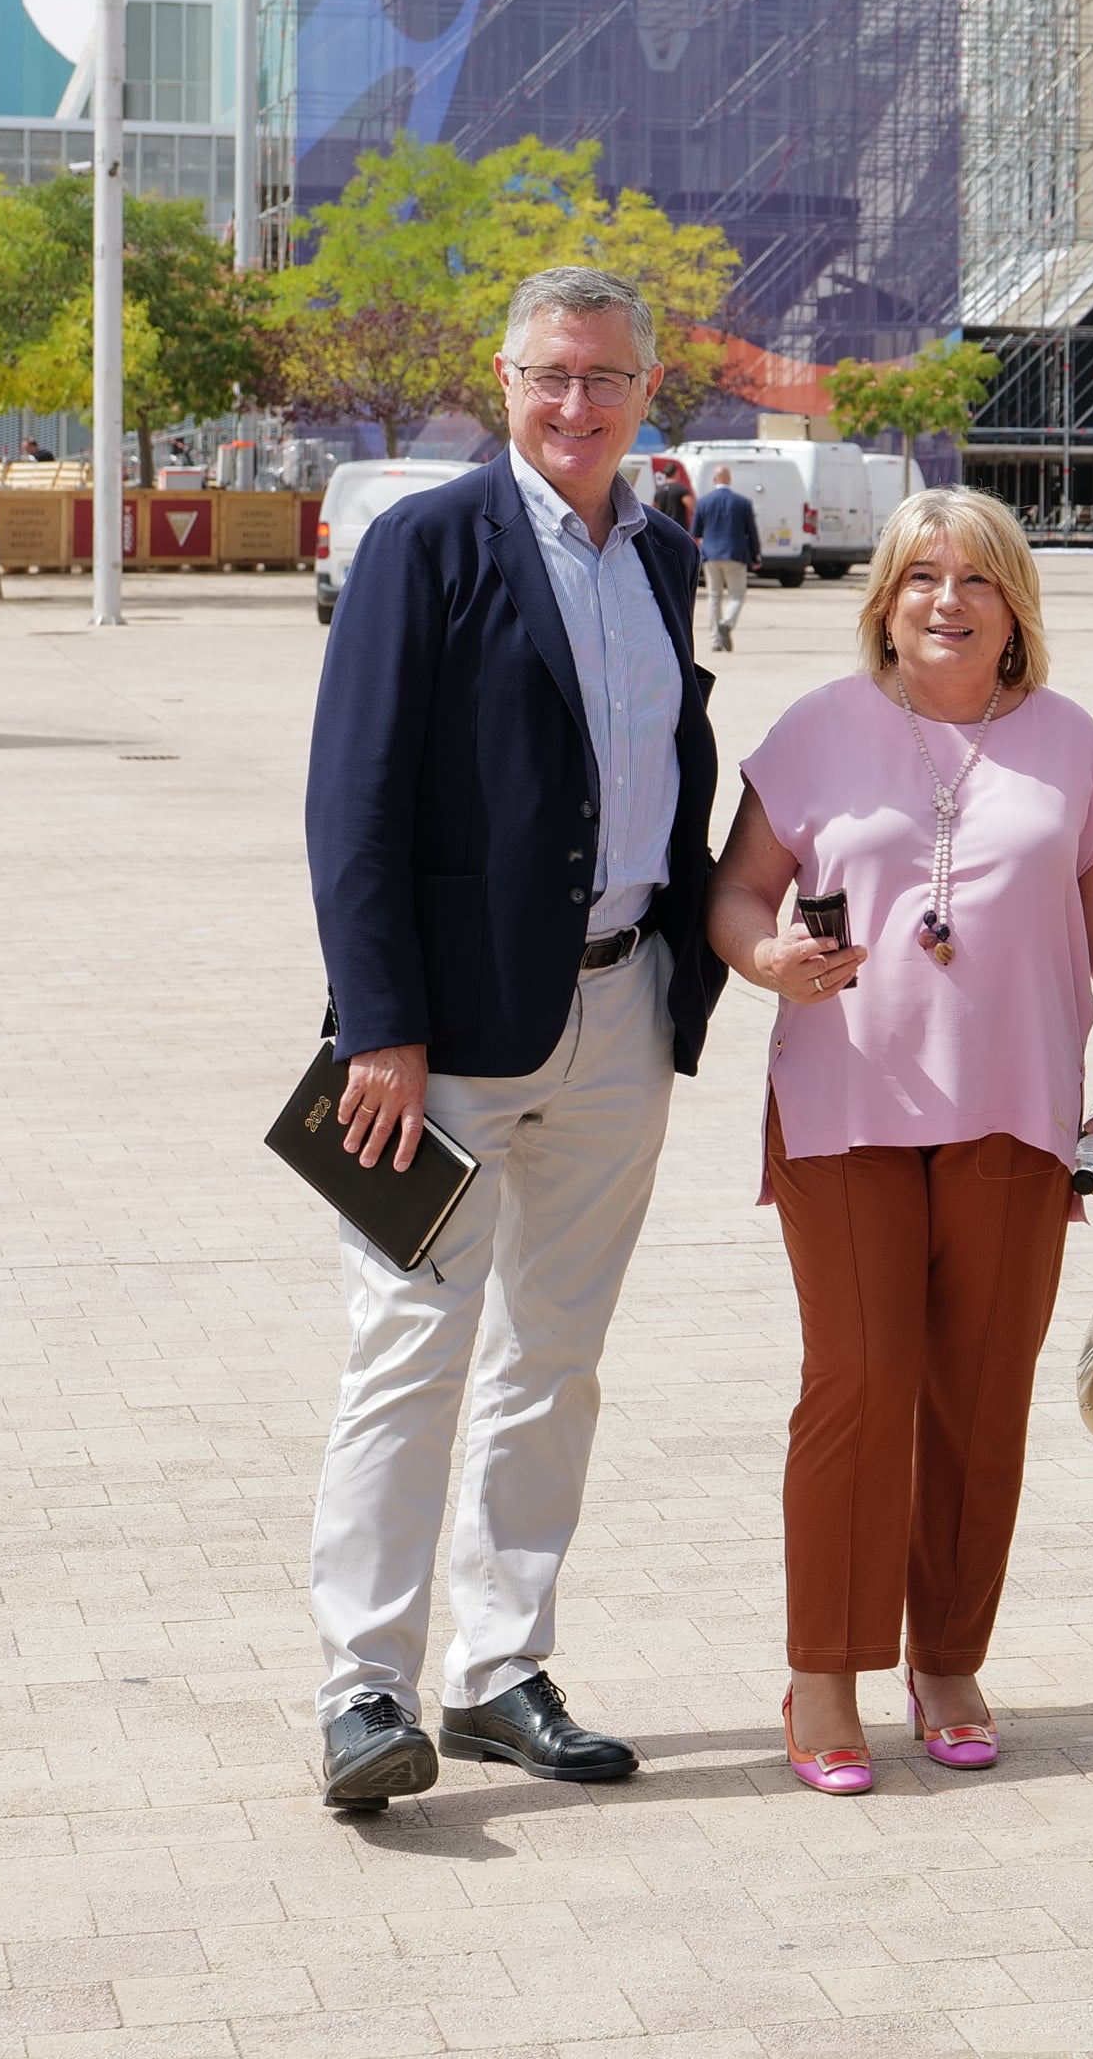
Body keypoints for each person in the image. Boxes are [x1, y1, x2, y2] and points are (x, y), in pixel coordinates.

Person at [298, 266, 724, 1812]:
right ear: (503, 379)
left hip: (616, 1015)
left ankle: (496, 1669)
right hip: (441, 1041)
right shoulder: (425, 545)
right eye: (551, 376)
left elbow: (670, 766)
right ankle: (362, 1688)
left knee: (556, 1357)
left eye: (605, 378)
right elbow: (352, 799)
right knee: (406, 1349)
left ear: (644, 386)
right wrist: (382, 1028)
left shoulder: (663, 557)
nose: (575, 405)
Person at [708, 487, 1093, 1795]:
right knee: (858, 1382)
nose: (946, 601)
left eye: (976, 580)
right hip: (844, 1111)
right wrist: (767, 956)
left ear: (1015, 605)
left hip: (1020, 1117)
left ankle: (951, 1657)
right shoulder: (817, 729)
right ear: (884, 601)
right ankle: (824, 1669)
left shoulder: (1069, 746)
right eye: (921, 577)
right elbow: (737, 893)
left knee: (978, 1400)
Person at [694, 464, 761, 652]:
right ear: (729, 479)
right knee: (737, 595)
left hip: (711, 556)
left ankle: (715, 640)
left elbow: (696, 532)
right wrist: (755, 555)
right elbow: (751, 532)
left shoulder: (704, 502)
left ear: (715, 480)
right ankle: (727, 622)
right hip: (735, 554)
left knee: (714, 596)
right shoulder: (742, 502)